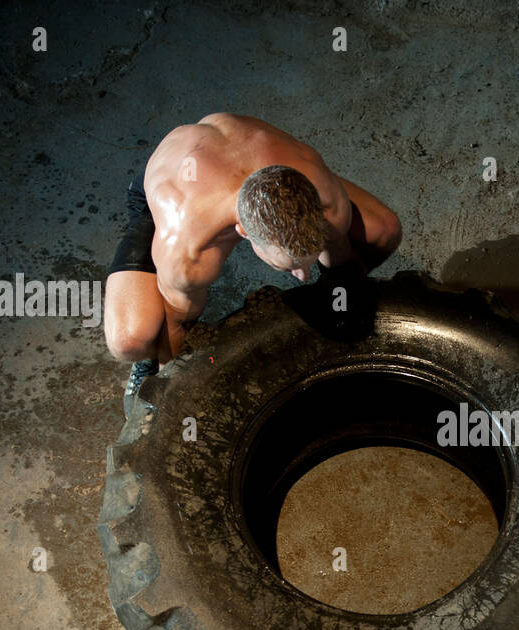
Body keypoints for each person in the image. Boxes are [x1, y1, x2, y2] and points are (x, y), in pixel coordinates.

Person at [104, 112, 402, 413]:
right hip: (169, 179)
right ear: (243, 232)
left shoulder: (321, 193)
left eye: (305, 263)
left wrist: (339, 306)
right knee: (132, 339)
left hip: (270, 170)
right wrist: (173, 393)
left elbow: (341, 260)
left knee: (384, 230)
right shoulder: (187, 248)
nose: (302, 276)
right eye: (290, 268)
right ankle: (145, 360)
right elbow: (177, 323)